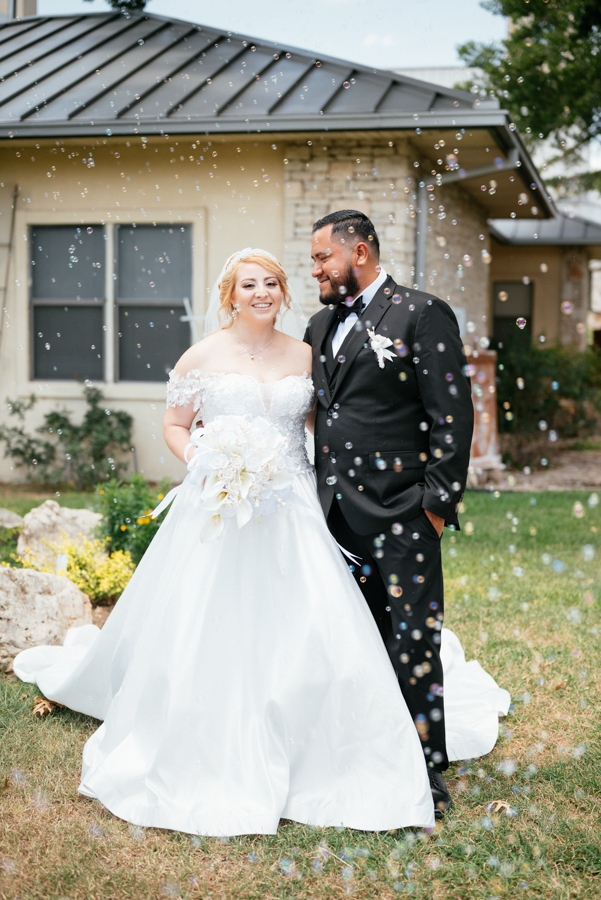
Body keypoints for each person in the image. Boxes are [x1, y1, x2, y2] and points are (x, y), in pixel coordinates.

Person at [13, 247, 509, 837]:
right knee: (209, 621)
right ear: (230, 294)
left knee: (312, 620)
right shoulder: (201, 355)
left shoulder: (307, 350)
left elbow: (327, 425)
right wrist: (209, 462)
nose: (262, 292)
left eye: (272, 282)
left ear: (283, 292)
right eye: (249, 284)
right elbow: (175, 425)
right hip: (218, 504)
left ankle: (322, 729)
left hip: (294, 504)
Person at [304, 209, 475, 816]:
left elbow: (453, 415)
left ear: (362, 253)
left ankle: (425, 769)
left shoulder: (421, 313)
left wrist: (434, 505)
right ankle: (367, 747)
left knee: (412, 639)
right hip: (335, 517)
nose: (315, 268)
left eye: (324, 257)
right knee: (358, 638)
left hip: (403, 511)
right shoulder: (319, 324)